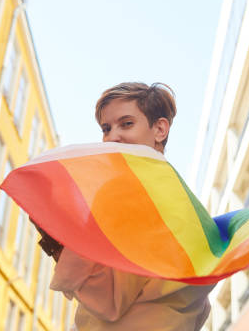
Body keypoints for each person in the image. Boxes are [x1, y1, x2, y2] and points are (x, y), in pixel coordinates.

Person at [48, 82, 215, 330]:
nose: (112, 137)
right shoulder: (185, 201)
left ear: (159, 129)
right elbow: (199, 306)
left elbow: (108, 300)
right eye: (106, 128)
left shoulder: (127, 192)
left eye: (126, 124)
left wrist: (59, 244)